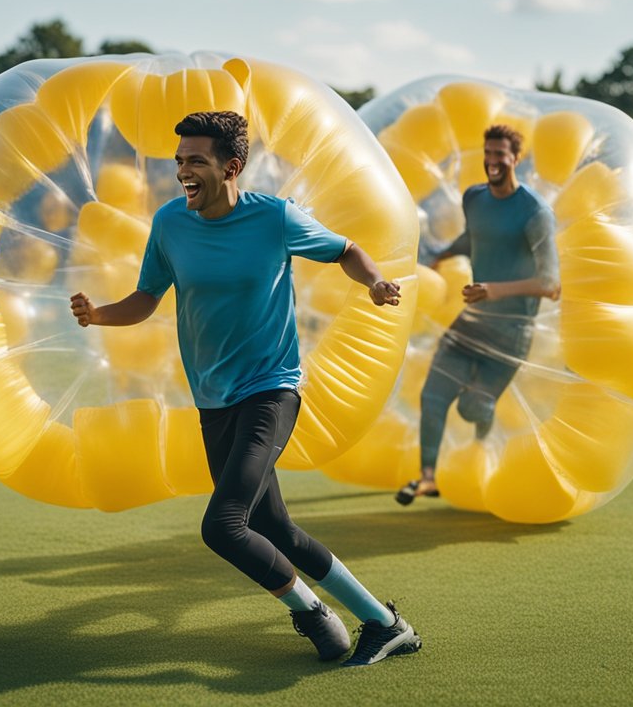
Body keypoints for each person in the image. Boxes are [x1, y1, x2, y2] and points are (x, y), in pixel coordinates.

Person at [69, 110, 421, 667]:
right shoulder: (169, 224)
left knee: (224, 525)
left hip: (271, 390)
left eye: (196, 161)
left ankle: (313, 614)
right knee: (271, 526)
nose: (182, 171)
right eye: (179, 160)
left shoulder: (275, 218)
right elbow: (146, 298)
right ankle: (384, 622)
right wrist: (99, 316)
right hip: (214, 400)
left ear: (232, 167)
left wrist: (375, 280)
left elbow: (346, 249)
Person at [398, 125, 560, 505]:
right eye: (488, 153)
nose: (492, 161)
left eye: (500, 154)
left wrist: (494, 290)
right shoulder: (474, 198)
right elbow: (475, 237)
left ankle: (482, 444)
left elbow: (551, 283)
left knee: (473, 407)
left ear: (516, 158)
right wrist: (442, 255)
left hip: (512, 332)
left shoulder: (535, 212)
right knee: (433, 395)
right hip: (472, 323)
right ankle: (426, 478)